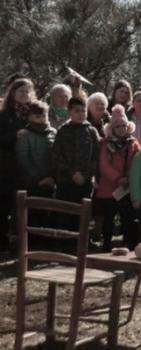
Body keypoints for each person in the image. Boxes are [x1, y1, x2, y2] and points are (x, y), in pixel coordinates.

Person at [94, 105, 141, 251]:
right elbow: (103, 164)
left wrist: (128, 177)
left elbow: (137, 162)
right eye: (118, 125)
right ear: (111, 127)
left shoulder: (133, 143)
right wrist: (117, 178)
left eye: (124, 125)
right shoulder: (105, 143)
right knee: (108, 218)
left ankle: (129, 243)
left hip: (127, 188)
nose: (121, 128)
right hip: (108, 188)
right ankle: (106, 244)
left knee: (128, 217)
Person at [52, 97, 100, 230]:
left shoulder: (91, 131)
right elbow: (57, 156)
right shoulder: (63, 131)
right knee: (65, 212)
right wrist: (72, 173)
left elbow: (96, 157)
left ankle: (82, 242)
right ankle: (63, 242)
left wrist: (85, 175)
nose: (80, 114)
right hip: (66, 180)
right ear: (70, 112)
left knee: (83, 214)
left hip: (85, 181)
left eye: (83, 111)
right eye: (77, 111)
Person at [0, 78, 35, 250]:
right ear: (13, 93)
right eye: (21, 91)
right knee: (4, 205)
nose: (24, 94)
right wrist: (15, 134)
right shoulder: (4, 114)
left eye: (27, 91)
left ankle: (21, 242)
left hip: (27, 167)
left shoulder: (33, 114)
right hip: (7, 167)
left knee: (23, 207)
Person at [15, 101, 56, 230]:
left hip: (51, 180)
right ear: (30, 117)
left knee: (49, 212)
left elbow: (58, 156)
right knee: (32, 214)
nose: (41, 119)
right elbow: (23, 158)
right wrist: (38, 179)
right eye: (37, 116)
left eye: (44, 116)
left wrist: (53, 177)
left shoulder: (53, 133)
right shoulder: (25, 134)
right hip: (32, 182)